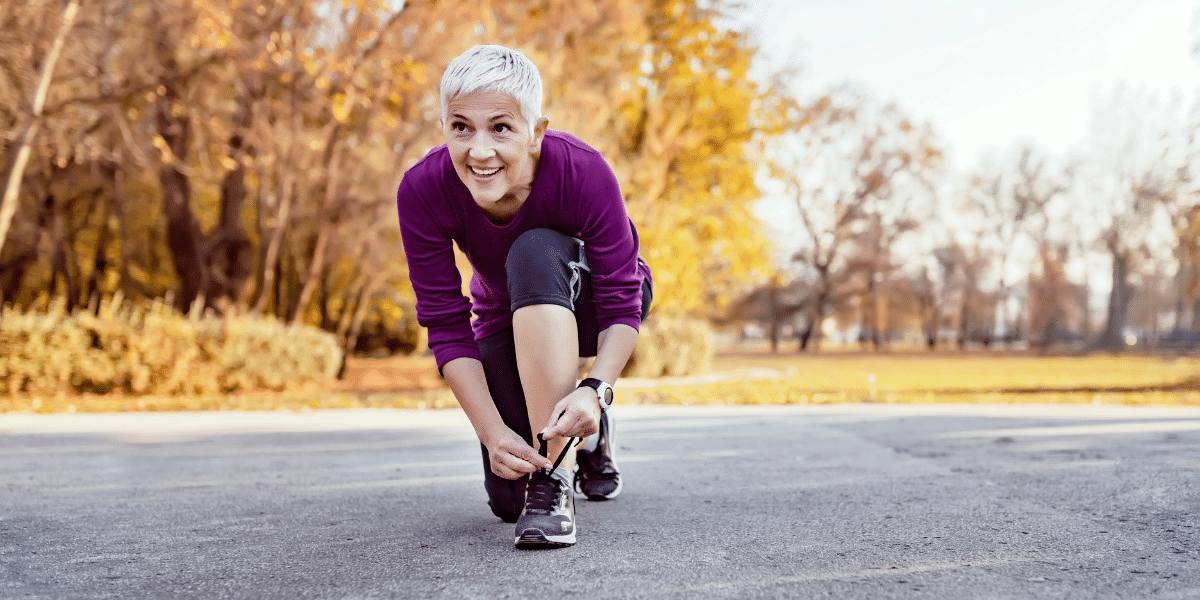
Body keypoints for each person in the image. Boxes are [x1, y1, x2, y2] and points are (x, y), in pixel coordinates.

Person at [395, 44, 653, 549]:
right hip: (506, 321)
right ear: (444, 126)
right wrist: (491, 431)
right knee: (508, 498)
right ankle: (586, 436)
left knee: (531, 251)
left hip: (595, 304)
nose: (480, 150)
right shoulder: (423, 190)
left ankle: (558, 478)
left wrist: (596, 387)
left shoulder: (583, 170)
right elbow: (448, 326)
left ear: (536, 132)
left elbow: (622, 300)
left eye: (501, 127)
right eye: (461, 127)